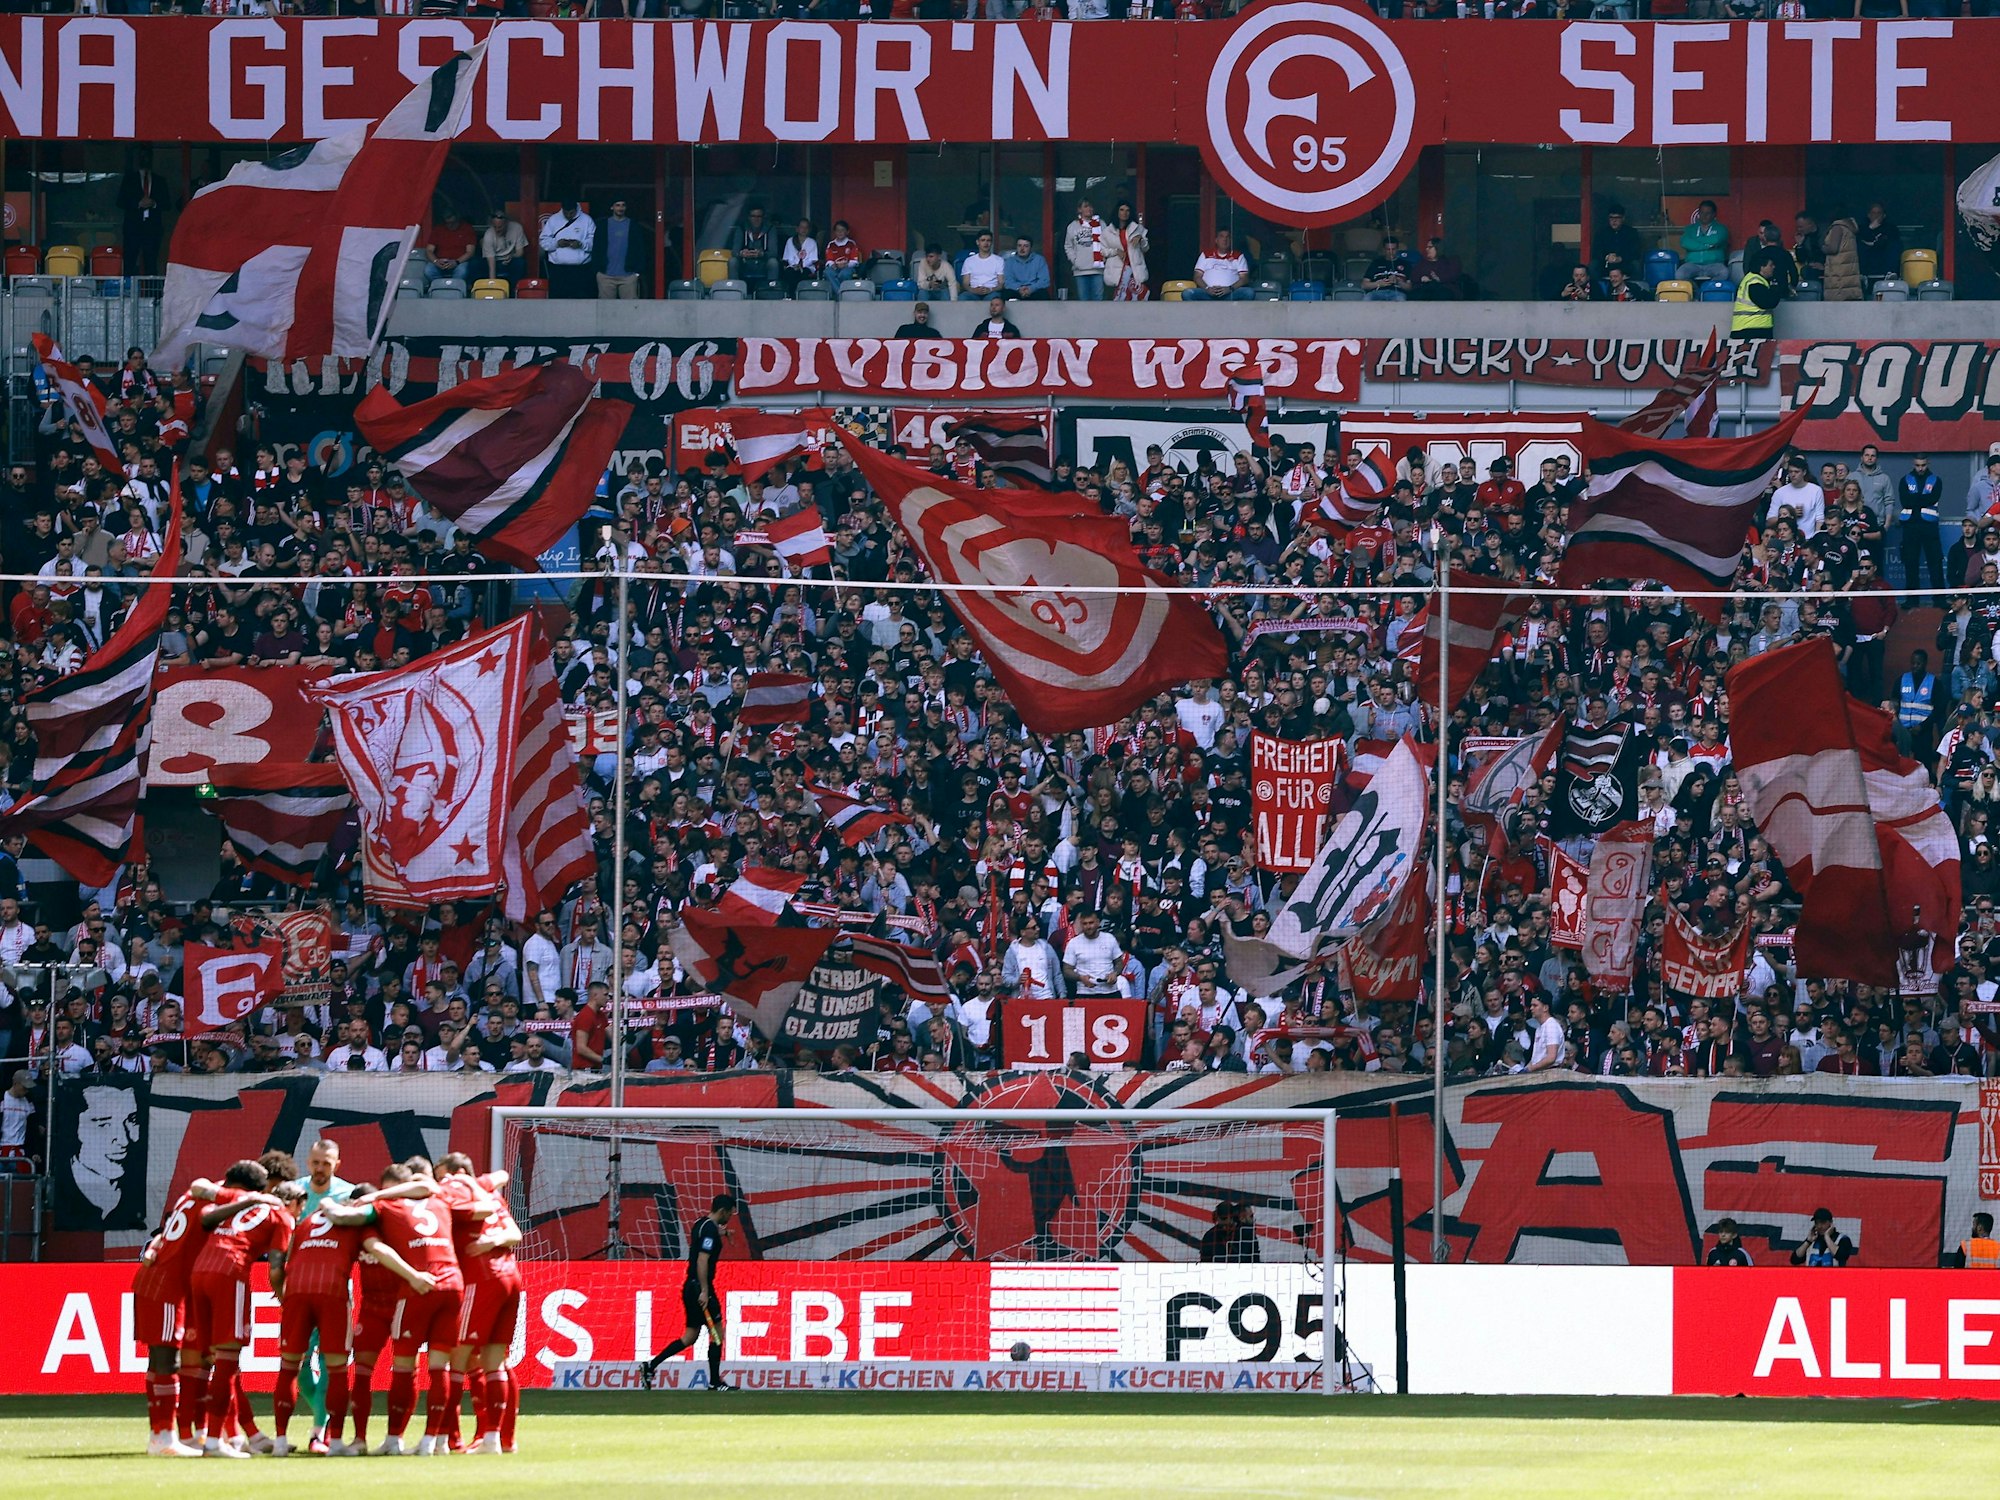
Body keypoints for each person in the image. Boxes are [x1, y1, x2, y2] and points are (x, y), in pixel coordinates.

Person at [130, 1164, 268, 1457]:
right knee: (167, 1360)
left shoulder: (196, 1194)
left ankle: (164, 1436)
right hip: (167, 1284)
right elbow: (207, 1219)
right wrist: (250, 1201)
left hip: (158, 1280)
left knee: (162, 1360)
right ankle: (164, 1438)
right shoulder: (216, 1199)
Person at [327, 1162, 462, 1456]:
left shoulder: (396, 1213)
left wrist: (328, 1204)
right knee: (363, 1370)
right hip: (375, 1307)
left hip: (410, 1298)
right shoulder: (373, 1221)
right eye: (386, 1191)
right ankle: (360, 1439)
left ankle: (402, 1437)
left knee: (413, 1368)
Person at [188, 1171, 297, 1456]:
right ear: (295, 1201)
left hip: (199, 1271)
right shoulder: (283, 1217)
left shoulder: (238, 1198)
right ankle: (214, 1441)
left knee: (212, 1361)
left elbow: (203, 1205)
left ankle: (227, 1435)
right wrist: (285, 1301)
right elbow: (276, 1269)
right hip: (230, 1271)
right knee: (227, 1362)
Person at [435, 1153, 525, 1454]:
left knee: (458, 1359)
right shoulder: (493, 1197)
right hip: (510, 1276)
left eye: (443, 1176)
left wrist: (486, 1243)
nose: (441, 1183)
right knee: (495, 1361)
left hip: (481, 1278)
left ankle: (443, 1440)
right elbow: (514, 1232)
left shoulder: (458, 1198)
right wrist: (493, 1240)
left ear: (459, 1173)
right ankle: (497, 1440)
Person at [283, 1140, 355, 1451]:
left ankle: (319, 1431)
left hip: (335, 1290)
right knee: (296, 1363)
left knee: (330, 1360)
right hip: (298, 1289)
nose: (320, 1168)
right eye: (315, 1162)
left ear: (337, 1164)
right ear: (307, 1162)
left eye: (326, 1163)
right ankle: (321, 1416)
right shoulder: (294, 1192)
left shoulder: (348, 1194)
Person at [639, 1192, 737, 1390]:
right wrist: (704, 1290)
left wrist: (724, 1233)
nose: (729, 1218)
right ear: (722, 1211)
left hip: (689, 1287)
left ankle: (650, 1366)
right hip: (700, 1288)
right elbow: (702, 1259)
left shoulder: (701, 1223)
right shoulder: (710, 1230)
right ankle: (715, 1382)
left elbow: (708, 1236)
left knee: (690, 1337)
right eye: (729, 1214)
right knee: (717, 1333)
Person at [1897, 453, 1945, 603]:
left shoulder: (1936, 480)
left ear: (1928, 463)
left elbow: (1933, 498)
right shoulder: (1905, 480)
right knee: (1910, 563)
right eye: (1918, 465)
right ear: (1913, 464)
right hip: (1910, 526)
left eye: (1923, 465)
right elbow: (1905, 501)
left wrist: (1915, 499)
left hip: (1929, 527)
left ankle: (1940, 599)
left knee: (1935, 563)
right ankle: (1912, 600)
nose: (1920, 468)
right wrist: (1922, 499)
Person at [538, 201, 596, 300]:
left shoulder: (587, 220)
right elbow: (544, 241)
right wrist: (556, 244)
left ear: (576, 209)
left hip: (581, 270)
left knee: (581, 300)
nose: (569, 215)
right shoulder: (553, 219)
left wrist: (581, 244)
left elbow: (595, 242)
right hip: (558, 269)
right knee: (558, 300)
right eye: (566, 213)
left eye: (571, 213)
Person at [594, 198, 643, 299]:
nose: (620, 208)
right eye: (617, 205)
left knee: (630, 307)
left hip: (628, 276)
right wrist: (597, 270)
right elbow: (596, 248)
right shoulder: (602, 225)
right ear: (612, 207)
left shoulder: (634, 226)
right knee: (606, 307)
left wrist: (637, 272)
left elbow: (640, 249)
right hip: (605, 275)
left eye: (623, 205)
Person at [1061, 199, 1107, 301]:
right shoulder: (1073, 226)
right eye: (1086, 206)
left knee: (1098, 300)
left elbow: (1107, 242)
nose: (1089, 209)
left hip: (1097, 269)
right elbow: (1068, 246)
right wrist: (1075, 260)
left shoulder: (1101, 224)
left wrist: (1104, 257)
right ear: (1079, 209)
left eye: (1090, 206)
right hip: (1080, 270)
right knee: (1083, 301)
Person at [1730, 247, 1781, 338]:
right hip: (1752, 329)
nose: (1773, 267)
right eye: (1770, 265)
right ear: (1762, 267)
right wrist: (1775, 288)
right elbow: (1768, 303)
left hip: (1748, 327)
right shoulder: (1755, 282)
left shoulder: (1751, 279)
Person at [1104, 201, 1149, 301]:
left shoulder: (1138, 229)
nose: (1125, 213)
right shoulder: (1108, 231)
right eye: (1122, 210)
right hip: (1116, 271)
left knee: (1136, 301)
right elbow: (1102, 251)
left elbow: (1146, 248)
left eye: (1127, 210)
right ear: (1117, 212)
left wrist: (1141, 239)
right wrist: (1116, 251)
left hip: (1134, 271)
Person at [1191, 230, 1249, 300]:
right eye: (1221, 236)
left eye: (1228, 237)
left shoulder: (1238, 256)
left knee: (1248, 292)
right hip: (1208, 293)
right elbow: (1197, 276)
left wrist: (1229, 288)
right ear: (1216, 240)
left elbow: (1244, 278)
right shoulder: (1205, 255)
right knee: (1188, 293)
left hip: (1230, 293)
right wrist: (1207, 289)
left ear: (1231, 241)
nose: (1225, 239)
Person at [1679, 199, 1729, 279]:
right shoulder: (1690, 229)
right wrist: (1708, 245)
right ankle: (1694, 287)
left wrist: (1695, 242)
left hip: (1714, 264)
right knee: (1680, 274)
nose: (1704, 215)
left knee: (1724, 272)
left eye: (1708, 213)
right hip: (1692, 264)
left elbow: (1715, 240)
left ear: (1714, 214)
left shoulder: (1721, 228)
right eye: (1702, 212)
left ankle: (1709, 286)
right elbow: (1684, 242)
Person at [1789, 1207, 1855, 1266]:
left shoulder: (1843, 1239)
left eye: (1822, 1222)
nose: (1819, 1226)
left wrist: (1827, 1236)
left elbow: (1841, 1256)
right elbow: (1795, 1260)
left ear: (1831, 1222)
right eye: (1816, 1223)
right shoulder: (1812, 1240)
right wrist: (1808, 1241)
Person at [1002, 235, 1051, 300]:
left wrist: (1031, 289)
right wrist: (1019, 288)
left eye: (1026, 246)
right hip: (1016, 290)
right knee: (1005, 294)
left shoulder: (1039, 260)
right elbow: (1008, 281)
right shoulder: (1010, 261)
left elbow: (1045, 281)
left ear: (1031, 248)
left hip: (1034, 290)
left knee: (1043, 294)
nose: (1022, 249)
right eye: (1019, 246)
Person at [960, 232, 1006, 299]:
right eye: (983, 240)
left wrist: (990, 290)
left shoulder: (999, 260)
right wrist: (973, 290)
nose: (986, 243)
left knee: (994, 298)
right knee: (963, 297)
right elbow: (965, 283)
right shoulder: (969, 261)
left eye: (988, 240)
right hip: (973, 292)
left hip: (992, 292)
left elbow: (1001, 284)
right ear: (977, 242)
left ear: (991, 243)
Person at [780, 217, 820, 295]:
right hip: (793, 266)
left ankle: (801, 295)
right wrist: (795, 265)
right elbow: (787, 257)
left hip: (807, 267)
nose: (804, 229)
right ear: (797, 229)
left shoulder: (812, 242)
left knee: (803, 273)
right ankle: (791, 295)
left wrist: (801, 266)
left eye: (806, 227)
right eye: (802, 227)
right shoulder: (790, 241)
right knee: (790, 273)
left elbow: (813, 259)